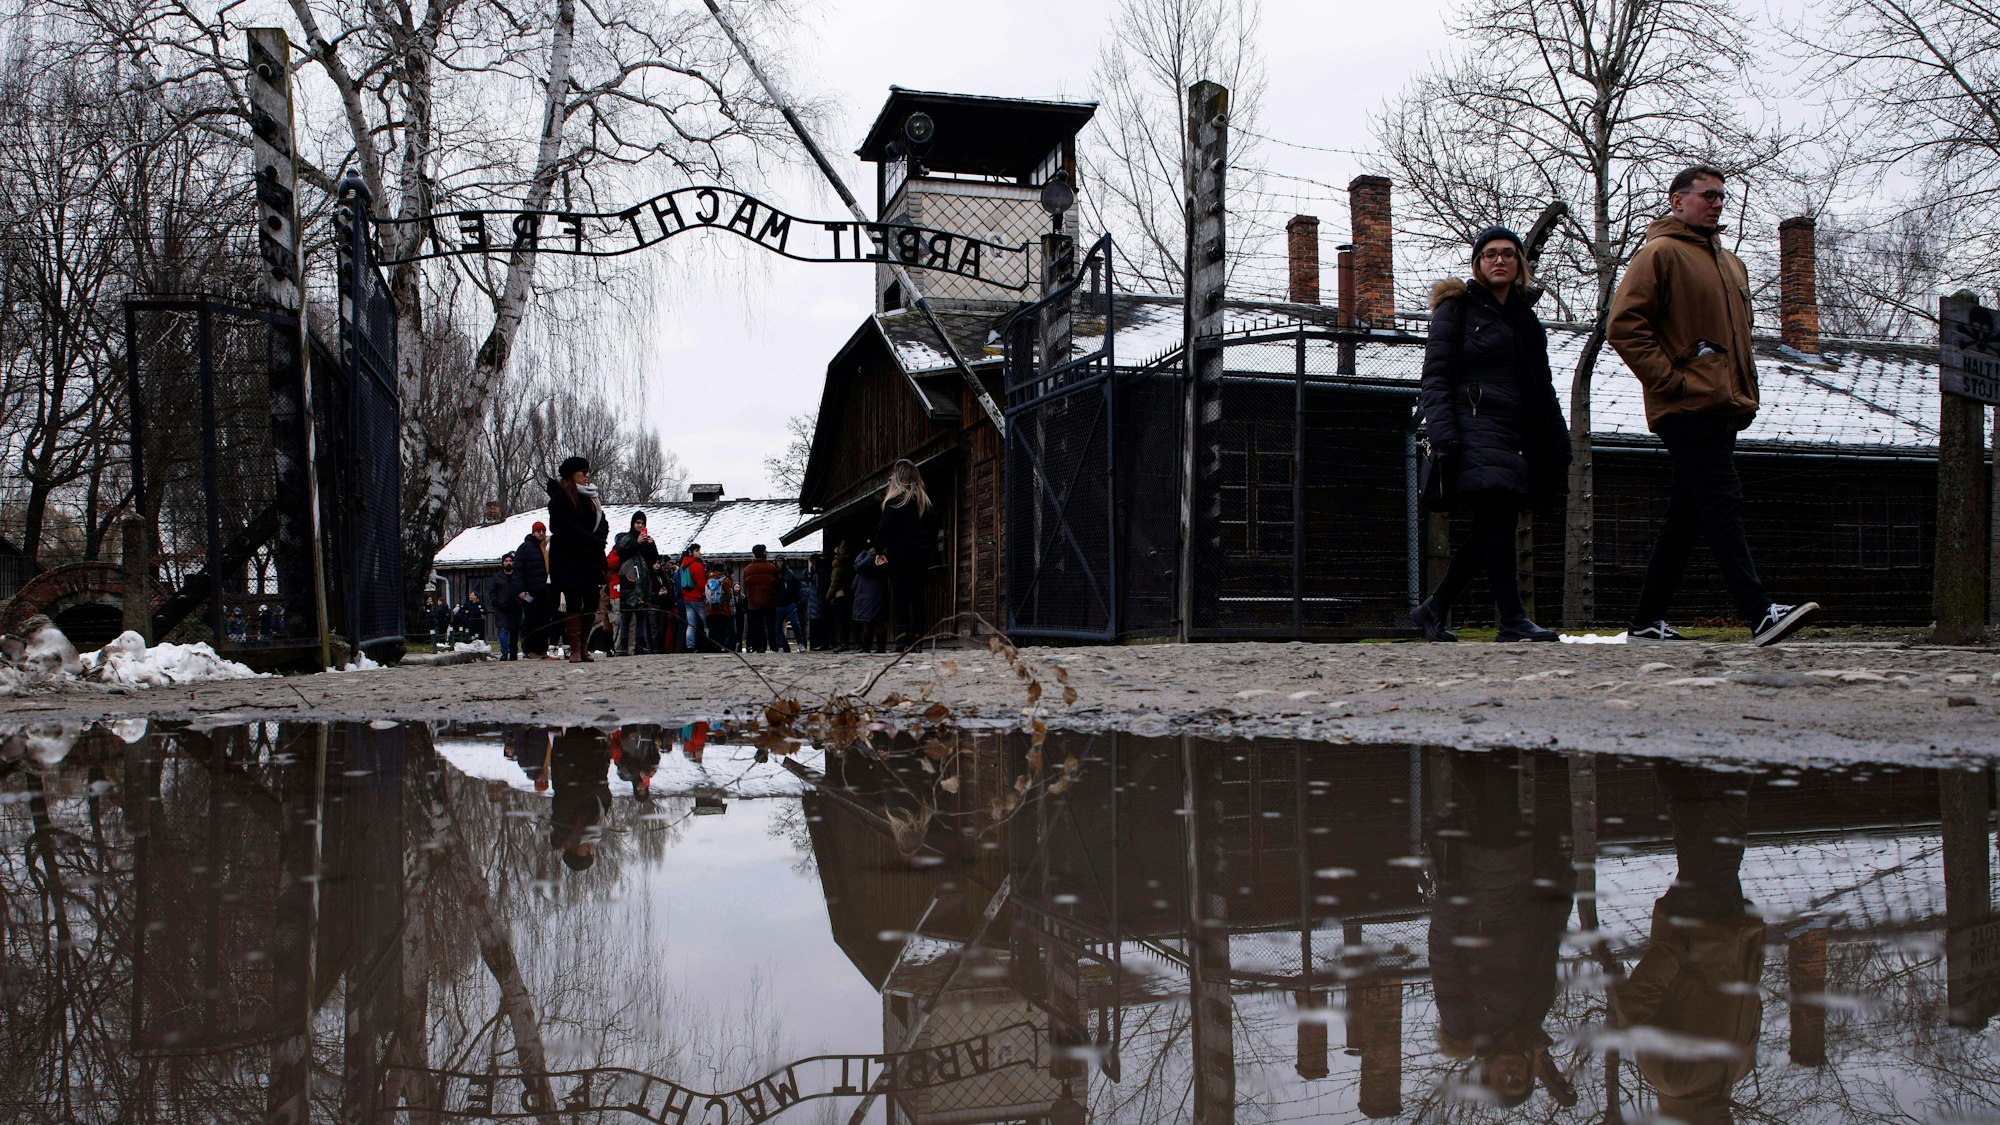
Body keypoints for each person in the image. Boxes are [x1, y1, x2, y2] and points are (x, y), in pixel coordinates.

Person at [1609, 166, 1819, 646]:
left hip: (1724, 405)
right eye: (1707, 195)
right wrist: (1672, 381)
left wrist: (1742, 390)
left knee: (1685, 516)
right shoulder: (1660, 254)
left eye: (1721, 196)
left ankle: (1646, 621)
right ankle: (1760, 613)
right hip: (1685, 407)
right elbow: (1624, 325)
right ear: (1677, 200)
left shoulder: (1730, 264)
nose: (1717, 203)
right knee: (1723, 501)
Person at [1411, 226, 1569, 644]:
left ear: (1520, 264)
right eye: (1490, 254)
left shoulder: (1525, 318)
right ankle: (1512, 618)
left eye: (1508, 254)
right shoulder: (1457, 309)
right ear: (1478, 264)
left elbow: (1543, 385)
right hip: (1475, 427)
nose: (1500, 260)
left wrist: (1558, 438)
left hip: (1520, 433)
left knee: (1493, 526)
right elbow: (1436, 376)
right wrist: (1443, 434)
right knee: (1496, 518)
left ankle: (1434, 608)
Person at [1613, 763, 1765, 1123]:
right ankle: (1666, 757)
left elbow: (1634, 1005)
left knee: (1725, 837)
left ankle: (1740, 753)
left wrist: (1676, 951)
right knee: (1695, 829)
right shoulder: (1735, 1074)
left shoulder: (1672, 1078)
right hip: (1727, 928)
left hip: (1695, 930)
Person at [1429, 750, 1577, 1110]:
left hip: (1482, 899)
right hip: (1527, 891)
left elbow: (1444, 959)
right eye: (1520, 1081)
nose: (1512, 1074)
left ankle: (1491, 738)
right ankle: (1463, 745)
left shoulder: (1465, 1027)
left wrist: (1451, 900)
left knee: (1500, 801)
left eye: (1502, 1081)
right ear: (1528, 1071)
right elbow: (1547, 947)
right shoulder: (1533, 1019)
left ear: (1485, 1074)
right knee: (1495, 803)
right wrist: (1562, 896)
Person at [546, 455, 609, 662]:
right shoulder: (560, 497)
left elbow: (602, 522)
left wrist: (598, 539)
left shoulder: (591, 497)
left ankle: (583, 647)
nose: (586, 476)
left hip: (590, 557)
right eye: (583, 472)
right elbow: (562, 526)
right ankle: (575, 648)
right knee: (573, 599)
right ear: (572, 474)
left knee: (591, 599)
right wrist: (589, 539)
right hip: (569, 557)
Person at [874, 460, 937, 649]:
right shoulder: (924, 502)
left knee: (901, 596)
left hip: (900, 554)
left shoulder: (894, 502)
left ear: (898, 477)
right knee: (918, 595)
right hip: (921, 553)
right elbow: (933, 531)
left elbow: (883, 529)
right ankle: (918, 638)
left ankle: (903, 639)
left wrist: (879, 551)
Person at [548, 727, 613, 871]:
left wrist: (595, 785)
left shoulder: (563, 830)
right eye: (591, 854)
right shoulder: (594, 831)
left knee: (578, 721)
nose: (591, 850)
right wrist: (605, 761)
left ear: (574, 852)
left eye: (587, 854)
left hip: (573, 761)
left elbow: (569, 797)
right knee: (595, 722)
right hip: (594, 760)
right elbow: (603, 797)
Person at [609, 511, 660, 656]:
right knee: (626, 615)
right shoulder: (626, 538)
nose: (640, 526)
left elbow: (653, 559)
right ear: (633, 523)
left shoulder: (646, 541)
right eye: (638, 523)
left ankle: (640, 645)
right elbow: (621, 554)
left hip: (643, 583)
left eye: (643, 523)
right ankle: (623, 646)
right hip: (629, 581)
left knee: (642, 614)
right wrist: (637, 543)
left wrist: (652, 545)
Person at [515, 521, 555, 658]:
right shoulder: (525, 548)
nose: (542, 534)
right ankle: (529, 650)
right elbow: (518, 571)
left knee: (544, 620)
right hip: (530, 591)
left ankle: (542, 649)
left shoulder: (546, 547)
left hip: (545, 589)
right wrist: (521, 590)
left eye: (543, 531)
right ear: (533, 533)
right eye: (539, 531)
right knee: (531, 621)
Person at [850, 540, 890, 653]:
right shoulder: (881, 558)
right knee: (871, 621)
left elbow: (859, 565)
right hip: (875, 592)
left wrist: (863, 553)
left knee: (875, 621)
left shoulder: (872, 557)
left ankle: (875, 647)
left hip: (872, 593)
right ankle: (870, 647)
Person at [741, 544, 782, 653]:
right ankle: (773, 646)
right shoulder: (772, 568)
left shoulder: (748, 569)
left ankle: (757, 646)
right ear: (764, 553)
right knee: (771, 625)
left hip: (754, 601)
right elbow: (777, 584)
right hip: (770, 600)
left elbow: (746, 585)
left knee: (756, 625)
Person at [489, 553, 524, 660]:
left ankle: (513, 653)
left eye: (510, 561)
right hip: (502, 608)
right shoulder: (497, 577)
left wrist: (522, 599)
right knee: (503, 630)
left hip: (515, 607)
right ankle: (504, 653)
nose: (508, 563)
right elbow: (492, 592)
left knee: (514, 631)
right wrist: (496, 602)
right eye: (506, 561)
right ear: (502, 563)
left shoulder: (518, 576)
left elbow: (524, 590)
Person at [678, 543, 708, 652]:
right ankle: (708, 643)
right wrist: (704, 594)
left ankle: (690, 645)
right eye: (697, 550)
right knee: (706, 624)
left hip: (687, 598)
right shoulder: (697, 566)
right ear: (692, 553)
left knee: (691, 625)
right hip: (698, 599)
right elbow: (701, 584)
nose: (699, 552)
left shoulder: (683, 566)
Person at [705, 563, 737, 652]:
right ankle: (719, 647)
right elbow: (728, 596)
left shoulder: (709, 580)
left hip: (710, 609)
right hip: (722, 609)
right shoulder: (725, 580)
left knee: (712, 630)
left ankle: (711, 647)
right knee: (722, 630)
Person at [777, 561, 805, 652]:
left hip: (789, 603)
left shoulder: (789, 574)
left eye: (781, 561)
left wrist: (795, 601)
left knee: (794, 623)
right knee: (778, 626)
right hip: (779, 604)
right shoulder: (775, 574)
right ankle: (780, 646)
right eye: (778, 561)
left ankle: (800, 643)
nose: (779, 563)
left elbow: (797, 587)